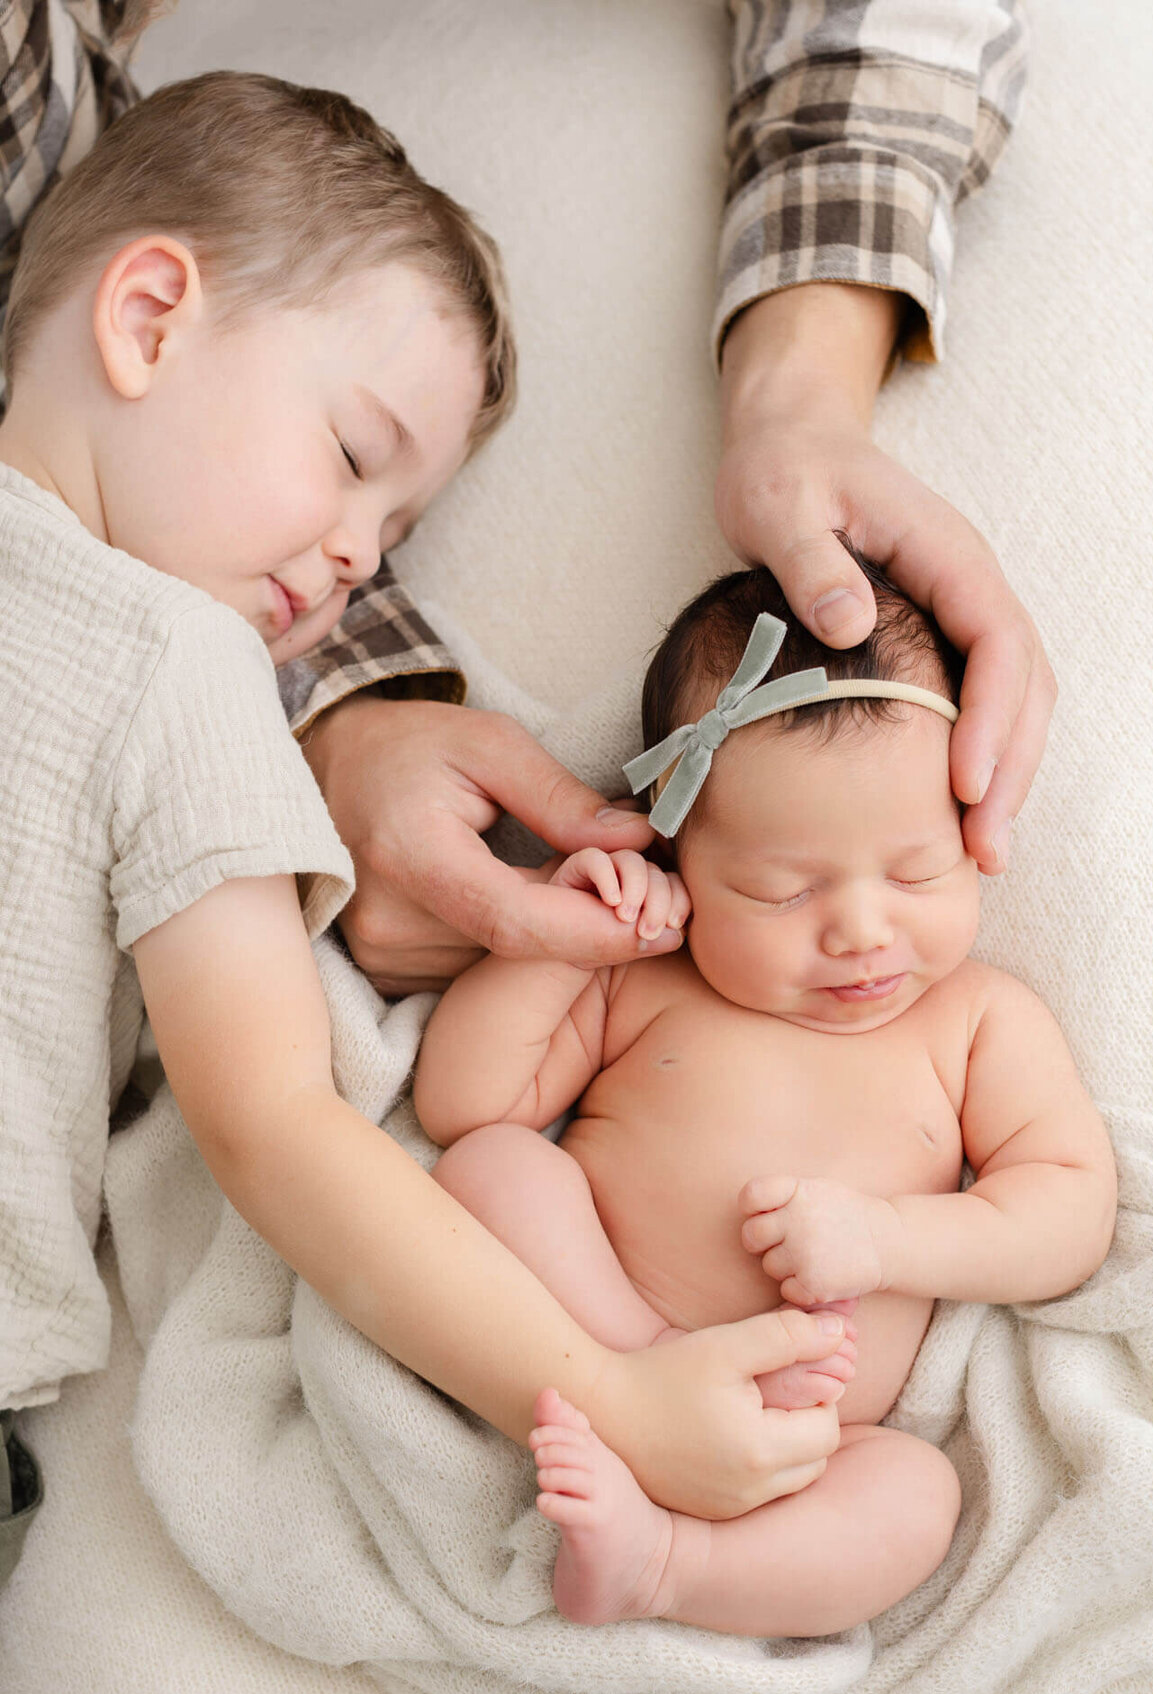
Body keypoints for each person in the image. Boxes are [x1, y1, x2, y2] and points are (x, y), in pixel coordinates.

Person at [0, 70, 851, 1588]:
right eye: (350, 453)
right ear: (145, 319)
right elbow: (276, 1129)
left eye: (394, 537)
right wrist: (609, 1400)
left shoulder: (194, 668)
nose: (348, 561)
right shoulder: (177, 661)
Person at [412, 563, 1117, 1636]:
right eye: (781, 891)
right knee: (488, 1172)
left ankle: (665, 1566)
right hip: (592, 1348)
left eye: (919, 872)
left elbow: (1069, 1213)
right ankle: (639, 1380)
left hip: (805, 1437)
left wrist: (885, 1241)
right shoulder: (646, 975)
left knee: (916, 1499)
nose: (861, 931)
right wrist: (567, 940)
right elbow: (467, 1103)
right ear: (677, 849)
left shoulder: (977, 1021)